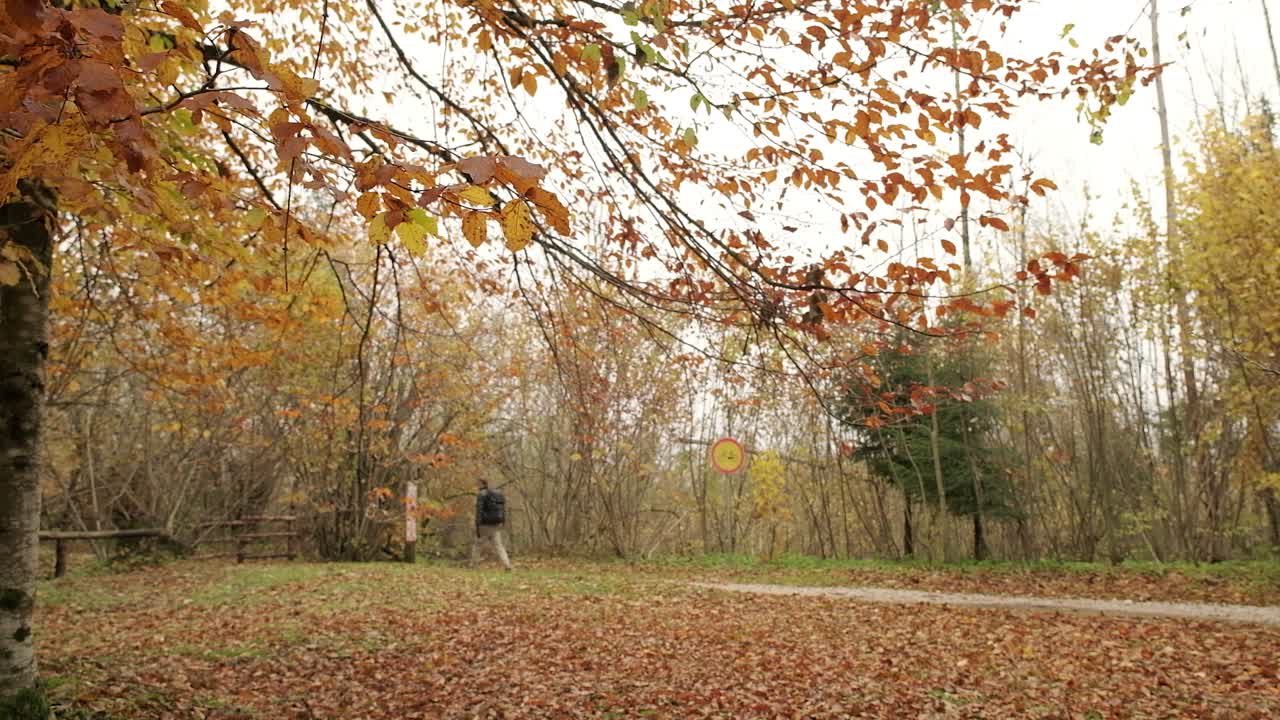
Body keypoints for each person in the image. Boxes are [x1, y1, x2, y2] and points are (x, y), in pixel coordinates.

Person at [471, 478, 512, 571]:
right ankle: (507, 565)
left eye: (478, 483)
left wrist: (477, 525)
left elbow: (479, 511)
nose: (477, 485)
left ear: (482, 484)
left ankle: (473, 566)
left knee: (477, 545)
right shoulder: (497, 494)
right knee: (499, 546)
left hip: (484, 525)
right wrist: (503, 522)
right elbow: (503, 510)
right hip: (496, 524)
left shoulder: (481, 494)